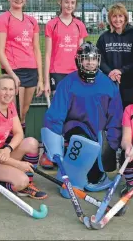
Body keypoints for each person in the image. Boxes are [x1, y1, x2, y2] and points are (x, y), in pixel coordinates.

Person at [42, 42, 122, 198]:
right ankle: (70, 176)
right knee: (80, 138)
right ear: (79, 60)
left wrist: (111, 144)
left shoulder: (108, 85)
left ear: (98, 61)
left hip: (99, 136)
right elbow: (55, 115)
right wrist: (54, 148)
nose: (90, 63)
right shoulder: (67, 83)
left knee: (93, 178)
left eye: (93, 59)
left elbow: (116, 118)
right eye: (86, 59)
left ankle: (94, 174)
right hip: (76, 133)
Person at [0, 74, 47, 200]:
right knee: (22, 180)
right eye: (4, 89)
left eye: (11, 89)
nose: (8, 93)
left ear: (15, 90)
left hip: (1, 153)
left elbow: (19, 133)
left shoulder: (10, 106)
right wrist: (18, 164)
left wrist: (8, 149)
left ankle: (21, 184)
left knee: (32, 143)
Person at [40, 0, 88, 169]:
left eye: (72, 3)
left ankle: (67, 151)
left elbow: (81, 54)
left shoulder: (79, 25)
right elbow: (47, 55)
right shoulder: (52, 24)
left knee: (73, 114)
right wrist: (46, 80)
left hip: (74, 75)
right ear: (60, 2)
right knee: (56, 114)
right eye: (66, 2)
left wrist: (83, 76)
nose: (69, 6)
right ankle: (49, 152)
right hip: (56, 73)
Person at [0, 0, 44, 134]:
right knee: (13, 112)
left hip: (31, 70)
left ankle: (20, 142)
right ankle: (11, 145)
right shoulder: (3, 19)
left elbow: (36, 49)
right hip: (14, 71)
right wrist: (12, 75)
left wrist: (40, 78)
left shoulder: (32, 21)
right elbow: (0, 51)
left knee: (24, 111)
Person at [96, 3, 133, 109]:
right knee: (110, 113)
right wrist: (110, 72)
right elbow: (99, 59)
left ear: (125, 18)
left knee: (128, 113)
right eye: (114, 16)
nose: (117, 19)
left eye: (120, 16)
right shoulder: (104, 37)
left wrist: (121, 71)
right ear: (110, 18)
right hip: (109, 82)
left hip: (129, 83)